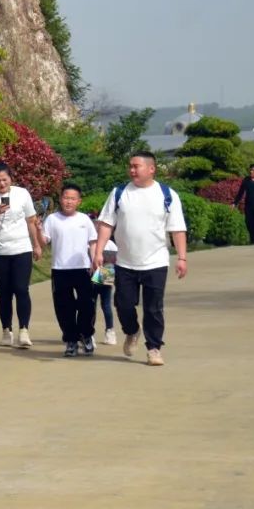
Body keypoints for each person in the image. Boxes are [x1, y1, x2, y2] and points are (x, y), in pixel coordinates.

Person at [93, 152, 188, 367]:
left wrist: (182, 258)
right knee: (123, 304)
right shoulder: (119, 193)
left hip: (156, 262)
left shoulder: (167, 195)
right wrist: (99, 251)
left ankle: (154, 348)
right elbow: (106, 224)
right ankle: (132, 331)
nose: (132, 170)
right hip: (125, 262)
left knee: (153, 308)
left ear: (151, 169)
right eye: (130, 166)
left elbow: (178, 229)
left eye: (137, 166)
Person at [0, 162, 43, 348]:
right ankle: (7, 330)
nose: (2, 184)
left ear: (11, 178)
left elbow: (31, 221)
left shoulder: (22, 194)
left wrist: (36, 244)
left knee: (22, 289)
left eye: (5, 179)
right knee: (4, 293)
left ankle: (24, 330)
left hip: (22, 248)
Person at [40, 184, 98, 357]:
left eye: (73, 198)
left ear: (79, 201)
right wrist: (36, 229)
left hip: (83, 269)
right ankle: (71, 340)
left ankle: (86, 335)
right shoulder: (52, 219)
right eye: (66, 197)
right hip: (60, 269)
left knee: (87, 305)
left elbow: (93, 242)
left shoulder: (84, 219)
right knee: (64, 308)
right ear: (61, 198)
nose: (69, 201)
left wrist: (95, 261)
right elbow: (44, 241)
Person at [91, 223, 118, 346]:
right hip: (103, 271)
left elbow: (114, 262)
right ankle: (107, 332)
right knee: (100, 305)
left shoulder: (94, 243)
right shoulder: (110, 244)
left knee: (97, 304)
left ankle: (98, 333)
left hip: (102, 271)